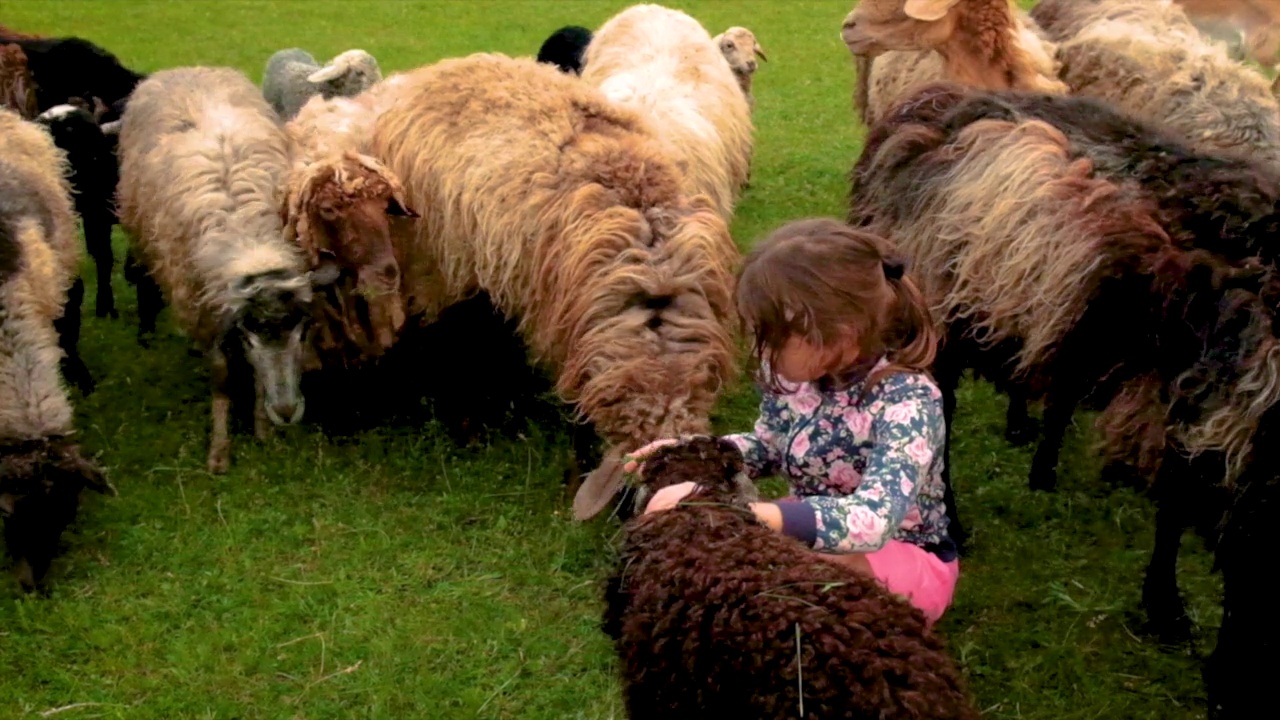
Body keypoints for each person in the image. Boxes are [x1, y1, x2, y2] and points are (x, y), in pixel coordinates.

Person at [625, 218, 959, 624]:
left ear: (839, 334)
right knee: (739, 558)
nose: (761, 349)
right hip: (810, 527)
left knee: (791, 566)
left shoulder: (907, 402)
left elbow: (873, 520)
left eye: (775, 335)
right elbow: (770, 447)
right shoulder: (794, 378)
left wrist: (755, 516)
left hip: (903, 554)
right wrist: (694, 454)